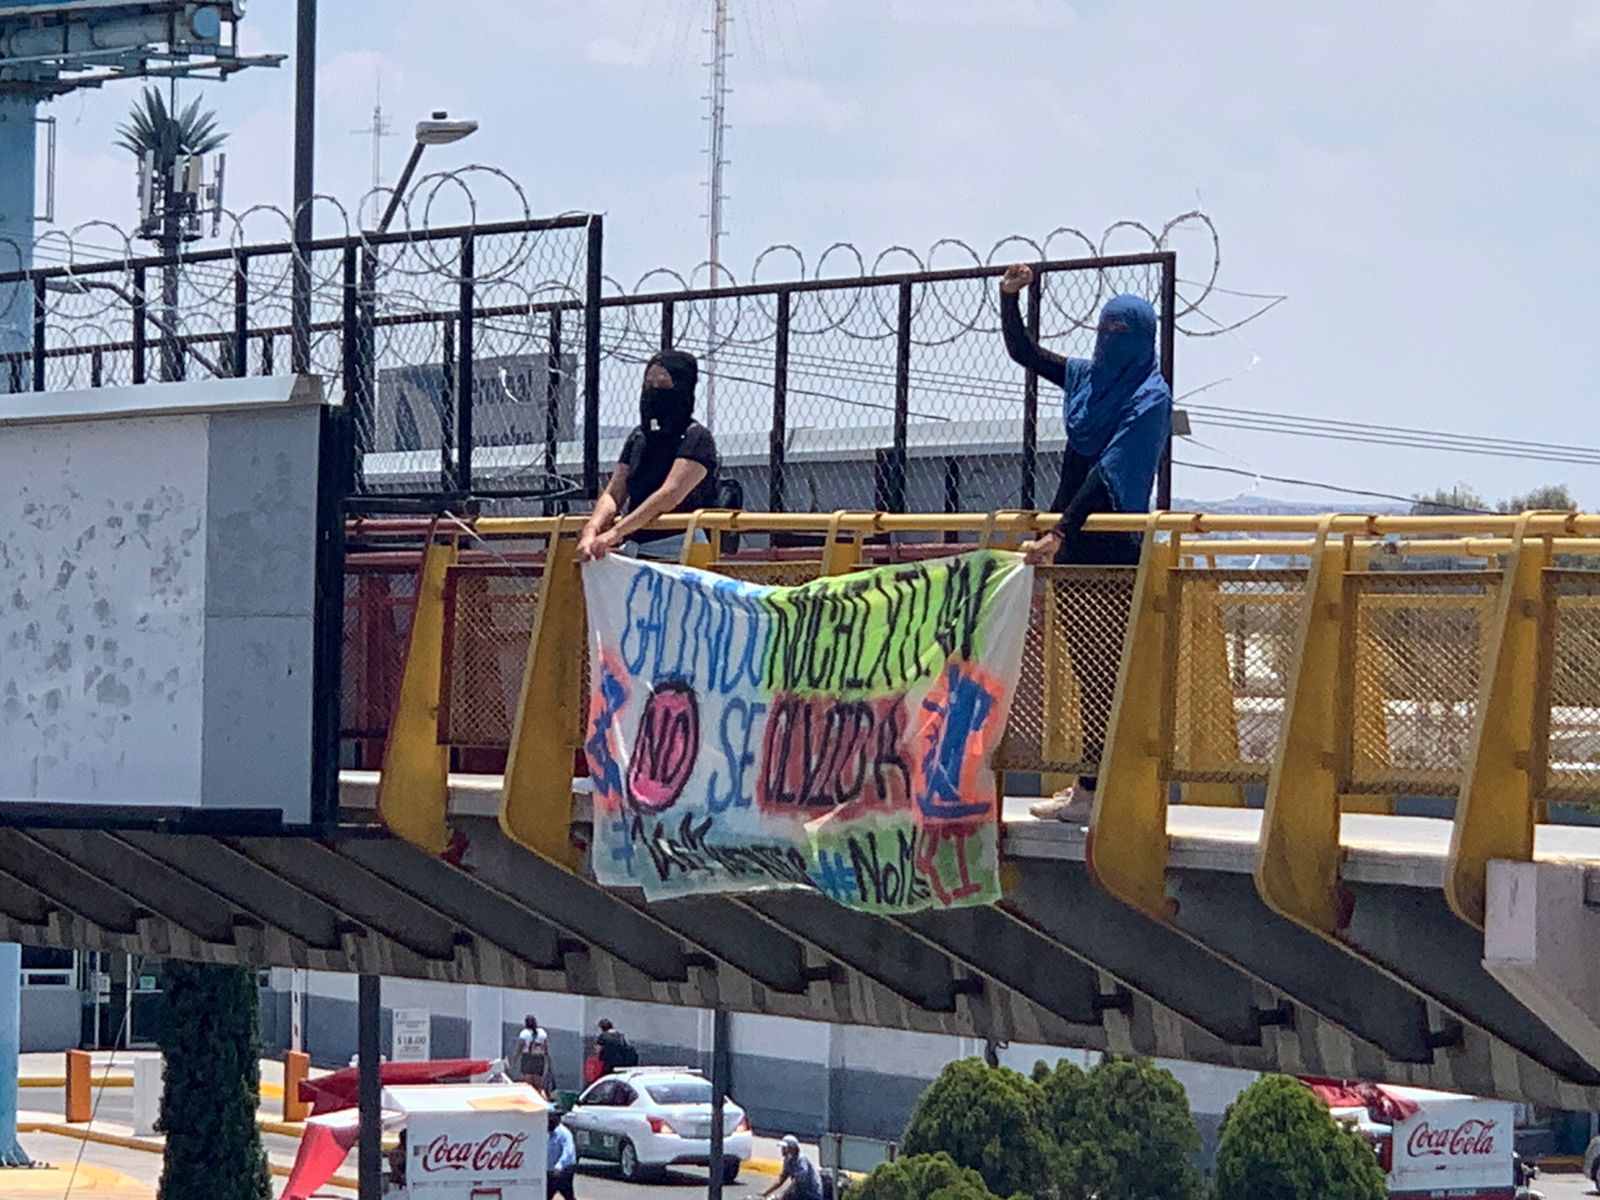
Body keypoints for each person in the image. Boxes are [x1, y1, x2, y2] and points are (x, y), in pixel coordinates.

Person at [999, 264, 1172, 824]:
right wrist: (1009, 297)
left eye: (1122, 335)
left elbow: (1109, 472)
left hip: (1112, 546)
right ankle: (1090, 789)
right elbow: (1025, 353)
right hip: (1071, 545)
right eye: (1106, 332)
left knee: (1111, 667)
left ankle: (1109, 789)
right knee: (1085, 668)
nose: (1110, 344)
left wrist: (1058, 530)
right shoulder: (1086, 379)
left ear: (1144, 339)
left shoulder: (1149, 398)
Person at [578, 350, 720, 563]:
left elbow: (669, 494)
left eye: (662, 384)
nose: (654, 391)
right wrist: (592, 529)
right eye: (648, 384)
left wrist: (616, 532)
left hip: (679, 547)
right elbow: (615, 493)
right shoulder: (639, 437)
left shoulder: (696, 437)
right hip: (637, 548)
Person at [763, 1135, 824, 1200]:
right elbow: (781, 1179)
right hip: (799, 1192)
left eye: (785, 1147)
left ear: (793, 1148)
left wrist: (782, 1196)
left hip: (811, 1194)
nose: (782, 1150)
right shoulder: (788, 1160)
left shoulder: (801, 1160)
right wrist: (766, 1193)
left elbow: (796, 1182)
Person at [515, 1014, 552, 1094]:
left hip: (527, 1058)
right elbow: (546, 1049)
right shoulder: (542, 1033)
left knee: (528, 1083)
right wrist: (548, 1061)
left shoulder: (524, 1033)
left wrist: (514, 1059)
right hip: (539, 1058)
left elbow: (520, 1047)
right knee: (538, 1083)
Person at [547, 1110, 578, 1200]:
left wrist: (559, 1166)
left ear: (557, 1119)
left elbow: (568, 1152)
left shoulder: (564, 1133)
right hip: (550, 1171)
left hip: (563, 1170)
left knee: (568, 1195)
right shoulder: (547, 1133)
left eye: (550, 1118)